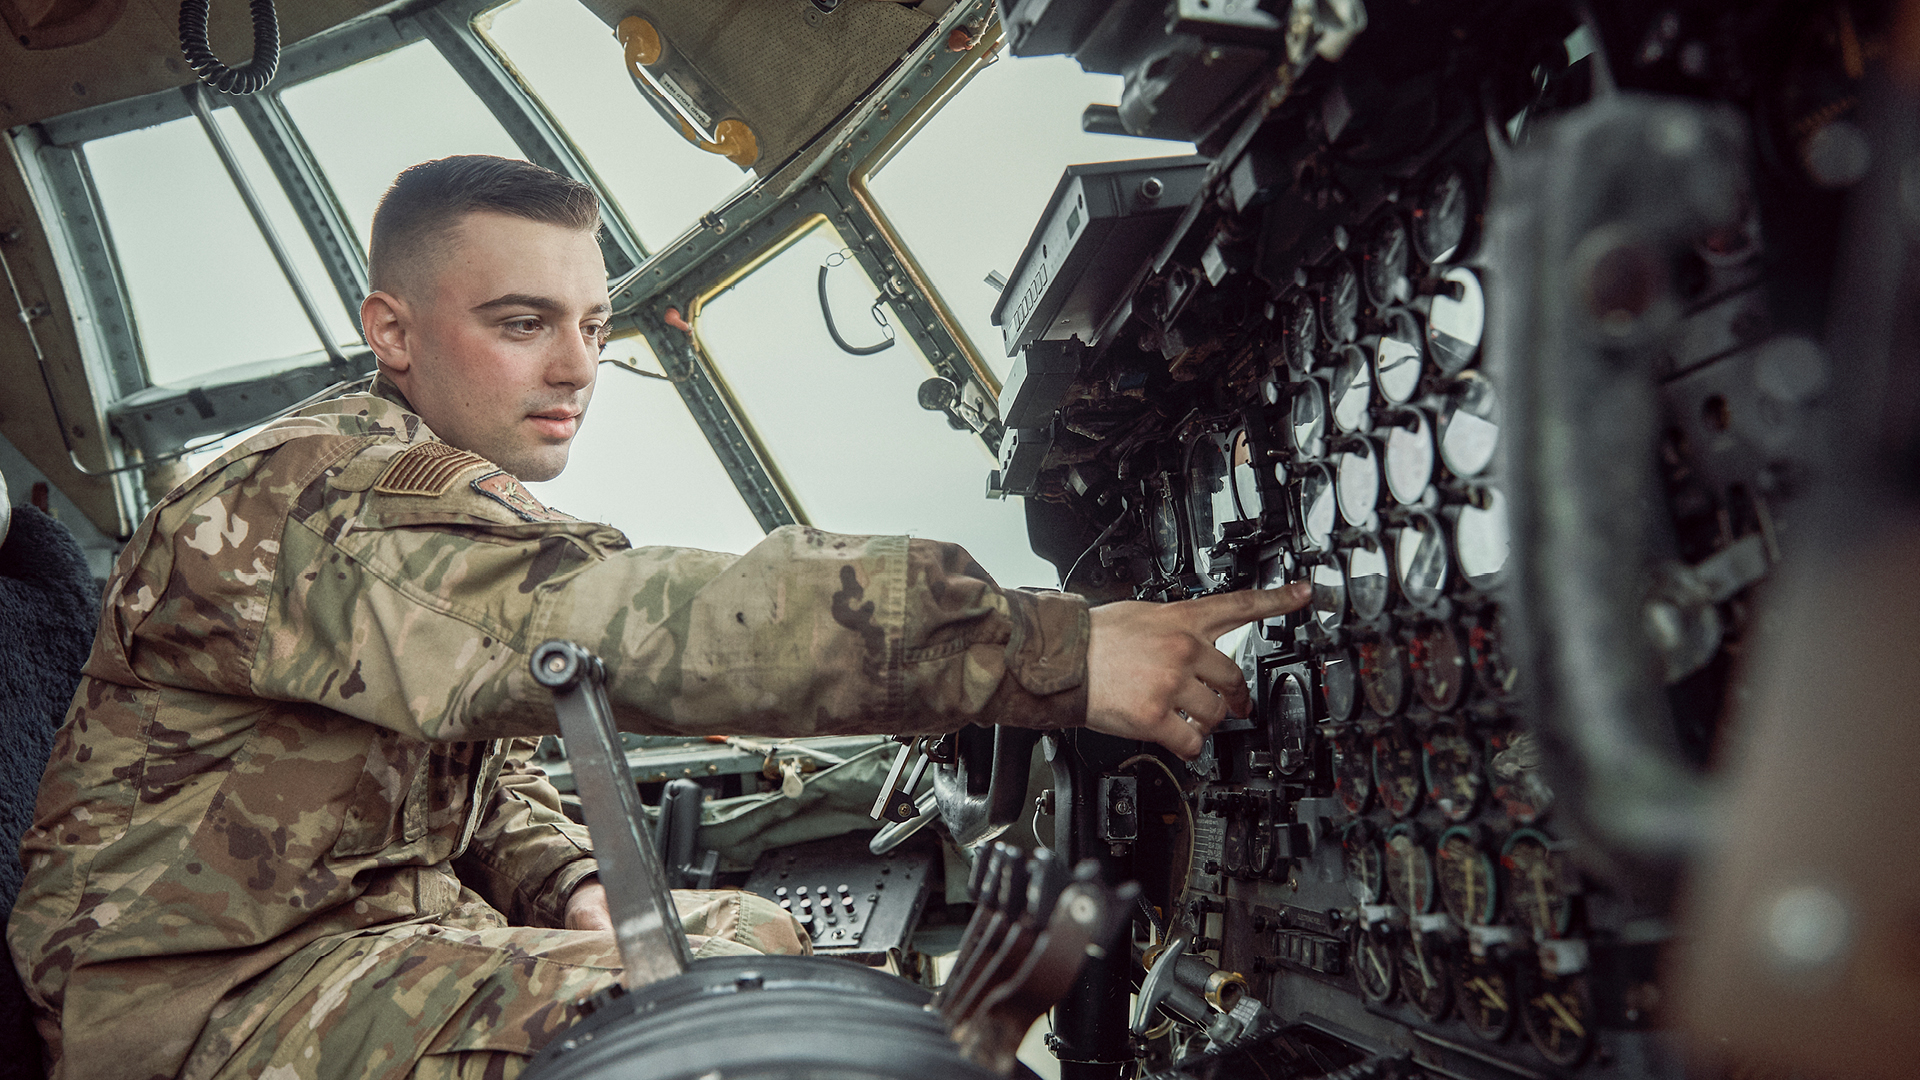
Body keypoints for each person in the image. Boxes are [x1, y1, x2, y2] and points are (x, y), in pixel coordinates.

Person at [7, 155, 1309, 1080]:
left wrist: (573, 886)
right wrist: (1046, 650)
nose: (577, 369)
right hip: (200, 1008)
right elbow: (635, 623)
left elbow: (478, 769)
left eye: (592, 325)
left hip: (361, 937)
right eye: (522, 324)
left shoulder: (406, 509)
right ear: (391, 330)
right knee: (753, 1041)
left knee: (757, 937)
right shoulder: (317, 498)